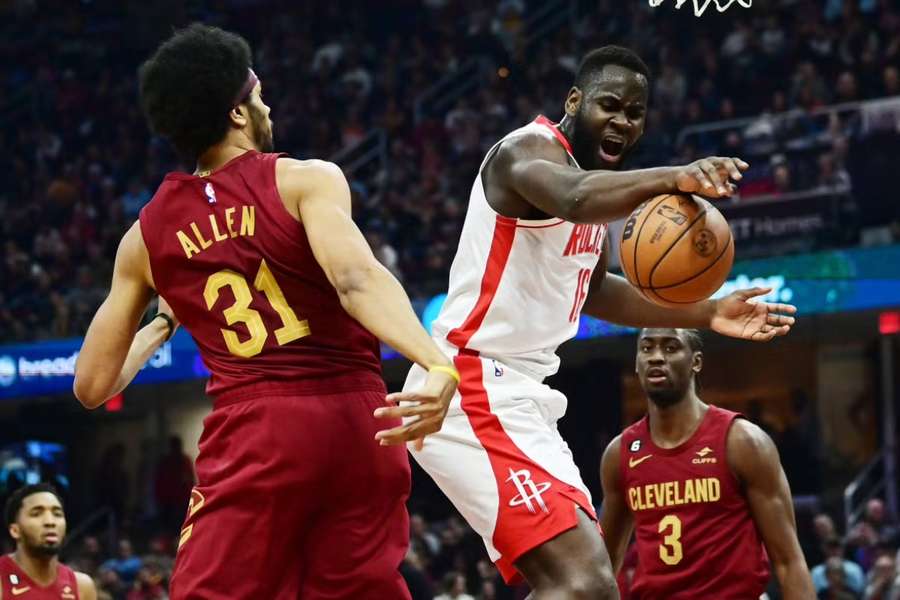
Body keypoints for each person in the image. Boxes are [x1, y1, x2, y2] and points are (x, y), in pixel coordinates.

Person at [390, 45, 797, 597]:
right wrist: (675, 176)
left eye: (635, 113)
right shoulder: (526, 151)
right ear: (575, 101)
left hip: (522, 394)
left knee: (578, 581)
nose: (623, 122)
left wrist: (709, 311)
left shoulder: (594, 195)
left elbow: (597, 290)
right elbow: (575, 198)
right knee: (588, 583)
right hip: (472, 384)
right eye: (611, 105)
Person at [72, 24, 459, 600]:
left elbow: (92, 385)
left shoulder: (145, 237)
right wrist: (436, 363)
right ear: (236, 112)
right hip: (361, 424)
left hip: (259, 433)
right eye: (259, 92)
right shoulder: (308, 179)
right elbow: (356, 280)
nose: (267, 103)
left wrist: (161, 320)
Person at [599, 328, 815, 599]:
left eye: (670, 348)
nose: (655, 357)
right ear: (636, 363)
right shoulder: (620, 453)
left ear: (696, 362)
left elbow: (789, 562)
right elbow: (604, 567)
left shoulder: (742, 441)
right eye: (647, 348)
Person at [1, 483, 97, 599]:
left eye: (57, 514)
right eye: (36, 514)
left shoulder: (82, 586)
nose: (50, 522)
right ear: (15, 530)